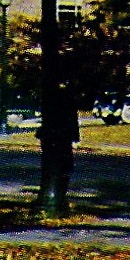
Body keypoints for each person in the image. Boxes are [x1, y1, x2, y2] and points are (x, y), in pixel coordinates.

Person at [36, 84, 81, 215]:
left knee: (60, 169)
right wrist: (74, 138)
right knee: (62, 169)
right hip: (61, 139)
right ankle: (57, 199)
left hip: (58, 139)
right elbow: (72, 120)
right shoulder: (65, 100)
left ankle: (55, 199)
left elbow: (72, 120)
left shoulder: (51, 98)